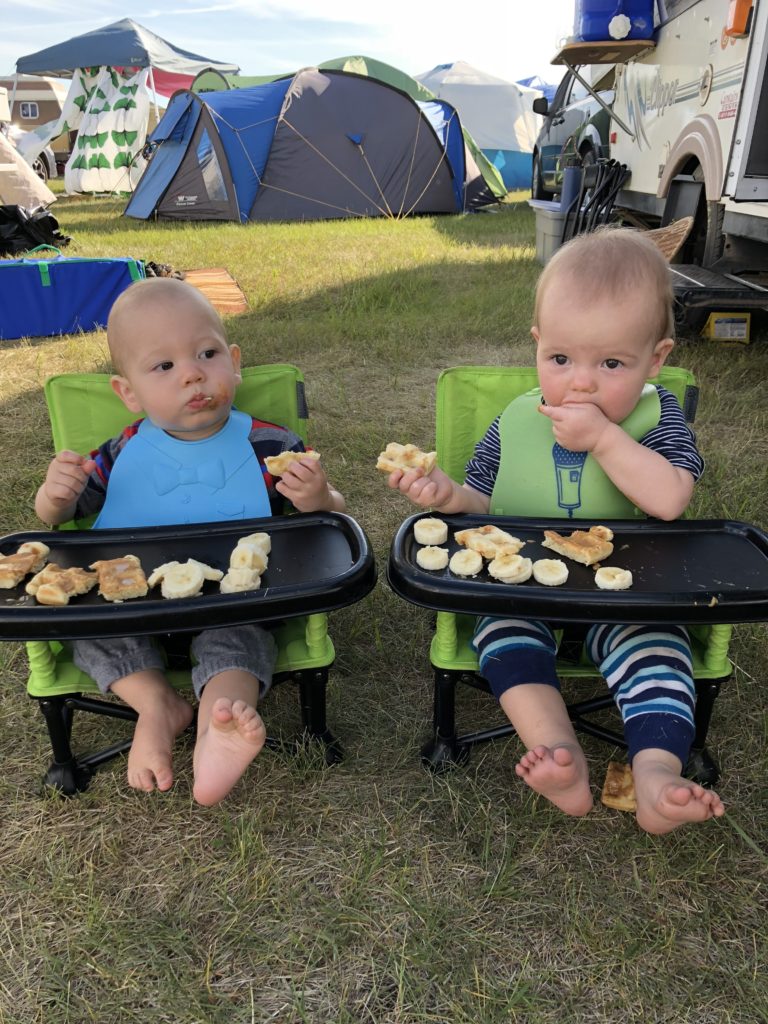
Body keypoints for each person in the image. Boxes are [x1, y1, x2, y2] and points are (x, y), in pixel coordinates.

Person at [386, 228, 725, 835]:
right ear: (538, 346)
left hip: (628, 593)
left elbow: (671, 499)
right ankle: (558, 752)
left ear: (657, 360)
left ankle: (655, 773)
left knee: (658, 651)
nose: (581, 383)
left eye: (612, 364)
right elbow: (486, 500)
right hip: (527, 588)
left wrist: (605, 439)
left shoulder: (655, 419)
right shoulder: (516, 418)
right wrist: (448, 497)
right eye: (561, 359)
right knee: (504, 637)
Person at [35, 278, 346, 806]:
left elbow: (326, 523)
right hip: (129, 603)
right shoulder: (120, 450)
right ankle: (158, 705)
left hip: (232, 600)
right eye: (164, 367)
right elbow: (61, 517)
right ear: (128, 391)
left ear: (234, 361)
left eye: (207, 353)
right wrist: (55, 497)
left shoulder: (269, 445)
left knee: (240, 639)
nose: (194, 374)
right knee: (87, 630)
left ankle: (217, 728)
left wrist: (319, 496)